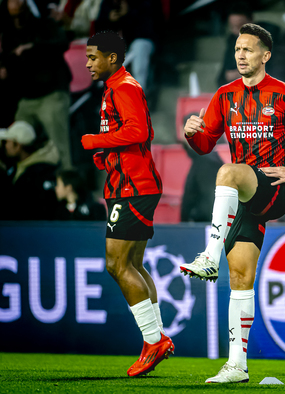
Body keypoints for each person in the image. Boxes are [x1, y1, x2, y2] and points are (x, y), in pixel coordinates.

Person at [180, 23, 285, 383]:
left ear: (266, 55)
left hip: (275, 188)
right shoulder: (224, 95)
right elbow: (205, 144)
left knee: (228, 172)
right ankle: (237, 365)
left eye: (248, 49)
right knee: (240, 277)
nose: (240, 55)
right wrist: (192, 134)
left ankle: (209, 255)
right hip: (245, 200)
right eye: (237, 49)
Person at [81, 30, 173, 377]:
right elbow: (128, 136)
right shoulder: (116, 88)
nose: (88, 63)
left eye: (93, 57)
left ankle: (154, 341)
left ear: (112, 59)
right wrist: (106, 155)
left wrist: (94, 141)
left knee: (116, 265)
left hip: (132, 188)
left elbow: (138, 132)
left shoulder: (124, 88)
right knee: (134, 264)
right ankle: (158, 336)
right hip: (131, 183)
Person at [2, 0, 73, 168]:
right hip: (27, 99)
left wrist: (32, 47)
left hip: (51, 95)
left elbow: (62, 43)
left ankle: (70, 187)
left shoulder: (42, 25)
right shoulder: (8, 35)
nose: (16, 3)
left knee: (60, 148)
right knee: (14, 142)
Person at [95, 0, 162, 92]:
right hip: (120, 48)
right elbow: (98, 30)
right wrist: (108, 20)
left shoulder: (143, 3)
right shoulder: (107, 4)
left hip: (144, 42)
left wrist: (128, 14)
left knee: (139, 47)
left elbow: (148, 29)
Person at [0, 121, 59, 221]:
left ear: (17, 145)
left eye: (6, 142)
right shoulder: (16, 168)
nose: (4, 146)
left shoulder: (41, 174)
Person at [216, 1, 280, 87]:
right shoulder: (232, 40)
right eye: (232, 27)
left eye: (240, 26)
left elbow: (275, 69)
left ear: (251, 21)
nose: (236, 31)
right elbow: (224, 76)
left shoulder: (267, 37)